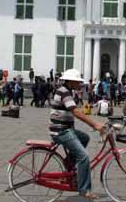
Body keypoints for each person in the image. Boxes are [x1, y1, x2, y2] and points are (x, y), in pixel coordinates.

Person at [49, 69, 104, 200]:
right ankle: (84, 190)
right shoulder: (64, 92)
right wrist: (95, 124)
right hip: (61, 131)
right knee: (84, 157)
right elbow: (76, 112)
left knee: (85, 138)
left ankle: (69, 164)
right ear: (71, 82)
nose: (80, 84)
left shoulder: (66, 91)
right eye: (78, 82)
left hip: (66, 129)